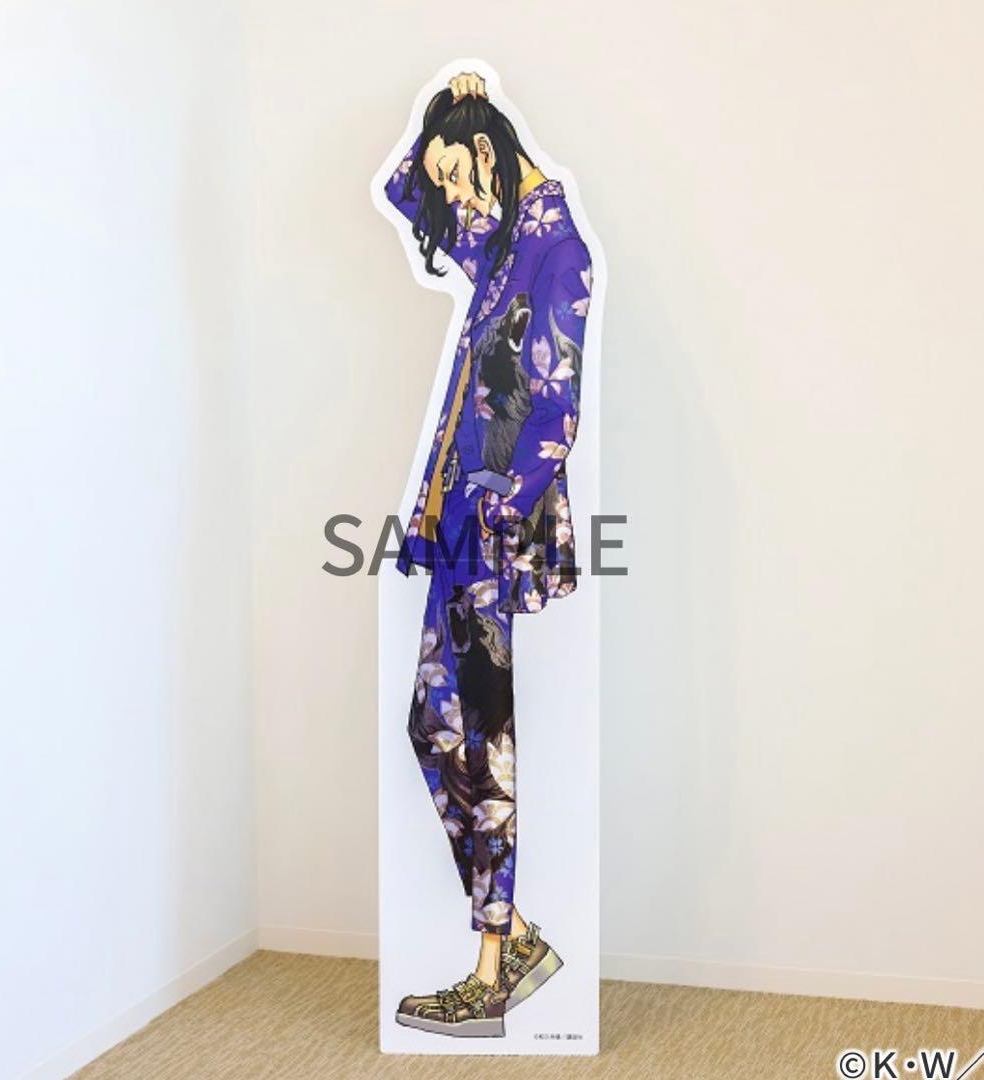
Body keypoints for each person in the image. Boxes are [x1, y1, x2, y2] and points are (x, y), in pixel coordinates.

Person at [380, 71, 593, 1038]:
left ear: (491, 156)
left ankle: (491, 971)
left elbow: (557, 409)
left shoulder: (555, 250)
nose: (452, 198)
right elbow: (405, 192)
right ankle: (518, 936)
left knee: (483, 740)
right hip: (455, 521)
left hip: (492, 526)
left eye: (460, 176)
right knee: (436, 728)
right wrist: (443, 112)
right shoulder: (503, 239)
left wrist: (501, 510)